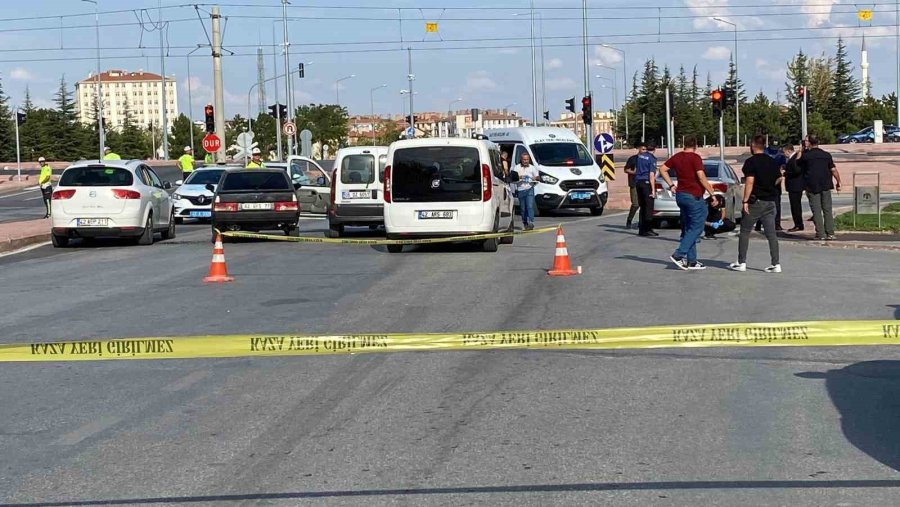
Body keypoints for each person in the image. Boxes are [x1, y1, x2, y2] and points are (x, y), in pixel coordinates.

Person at [657, 135, 718, 270]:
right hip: (694, 196)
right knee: (697, 227)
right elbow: (701, 177)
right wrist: (712, 193)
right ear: (695, 146)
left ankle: (692, 261)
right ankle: (679, 254)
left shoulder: (677, 157)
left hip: (680, 196)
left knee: (688, 228)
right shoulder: (695, 158)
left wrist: (671, 185)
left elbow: (662, 169)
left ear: (684, 144)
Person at [730, 135, 782, 273]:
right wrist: (770, 186)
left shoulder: (751, 162)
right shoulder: (772, 162)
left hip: (756, 201)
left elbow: (750, 182)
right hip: (771, 201)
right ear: (764, 146)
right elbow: (779, 178)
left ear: (753, 146)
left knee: (745, 231)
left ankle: (741, 262)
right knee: (771, 234)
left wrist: (745, 200)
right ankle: (776, 263)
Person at [797, 134, 842, 240]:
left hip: (812, 186)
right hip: (826, 184)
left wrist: (801, 151)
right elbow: (833, 170)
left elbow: (797, 164)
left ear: (809, 143)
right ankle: (830, 233)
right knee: (827, 209)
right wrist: (838, 181)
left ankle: (820, 234)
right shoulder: (826, 155)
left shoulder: (806, 156)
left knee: (816, 210)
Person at [756, 146, 785, 231]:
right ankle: (759, 223)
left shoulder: (780, 154)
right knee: (762, 203)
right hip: (765, 180)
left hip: (775, 181)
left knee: (776, 204)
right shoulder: (765, 152)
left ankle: (776, 224)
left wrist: (782, 171)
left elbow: (783, 166)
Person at [633, 143, 658, 237]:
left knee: (642, 206)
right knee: (649, 207)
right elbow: (651, 175)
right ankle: (648, 229)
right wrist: (653, 190)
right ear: (654, 149)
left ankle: (641, 229)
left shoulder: (640, 157)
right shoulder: (652, 159)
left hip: (638, 182)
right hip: (646, 183)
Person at [512, 152, 539, 230]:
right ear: (521, 159)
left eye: (527, 159)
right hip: (521, 189)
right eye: (524, 159)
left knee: (530, 206)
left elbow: (537, 177)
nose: (526, 161)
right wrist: (519, 177)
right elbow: (513, 179)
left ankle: (531, 221)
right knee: (523, 209)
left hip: (529, 188)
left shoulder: (532, 168)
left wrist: (535, 178)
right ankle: (525, 223)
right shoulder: (517, 168)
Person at [781, 144, 804, 232]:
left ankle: (798, 224)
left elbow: (796, 170)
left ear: (789, 151)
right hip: (794, 186)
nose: (784, 154)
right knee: (794, 206)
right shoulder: (792, 158)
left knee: (796, 206)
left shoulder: (794, 158)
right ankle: (798, 223)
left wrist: (785, 173)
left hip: (795, 186)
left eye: (784, 152)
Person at [623, 143, 646, 228]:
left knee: (644, 204)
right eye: (643, 149)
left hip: (644, 183)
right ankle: (629, 220)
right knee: (636, 204)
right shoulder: (633, 159)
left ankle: (641, 222)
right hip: (634, 183)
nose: (644, 151)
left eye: (645, 149)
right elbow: (626, 169)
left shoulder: (647, 159)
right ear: (639, 149)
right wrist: (635, 172)